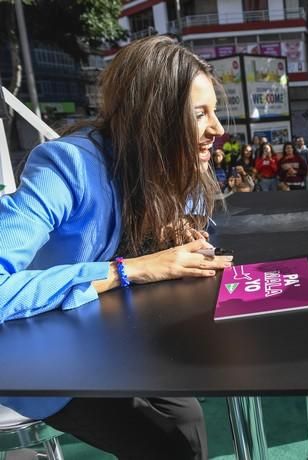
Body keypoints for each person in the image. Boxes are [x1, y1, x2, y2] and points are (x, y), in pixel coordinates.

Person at [0, 36, 235, 460]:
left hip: (111, 338)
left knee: (187, 419)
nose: (218, 129)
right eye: (201, 114)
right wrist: (132, 269)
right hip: (35, 359)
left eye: (214, 112)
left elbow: (185, 220)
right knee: (165, 445)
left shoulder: (159, 163)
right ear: (157, 118)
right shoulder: (65, 167)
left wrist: (174, 233)